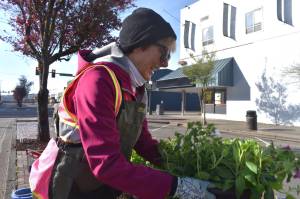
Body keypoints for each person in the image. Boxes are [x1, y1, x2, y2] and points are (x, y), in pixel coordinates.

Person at [30, 8, 216, 199]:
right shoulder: (98, 80)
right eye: (164, 53)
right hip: (72, 188)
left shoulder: (137, 87)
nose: (165, 64)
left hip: (106, 185)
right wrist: (177, 187)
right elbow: (106, 164)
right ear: (140, 44)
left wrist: (181, 163)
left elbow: (142, 141)